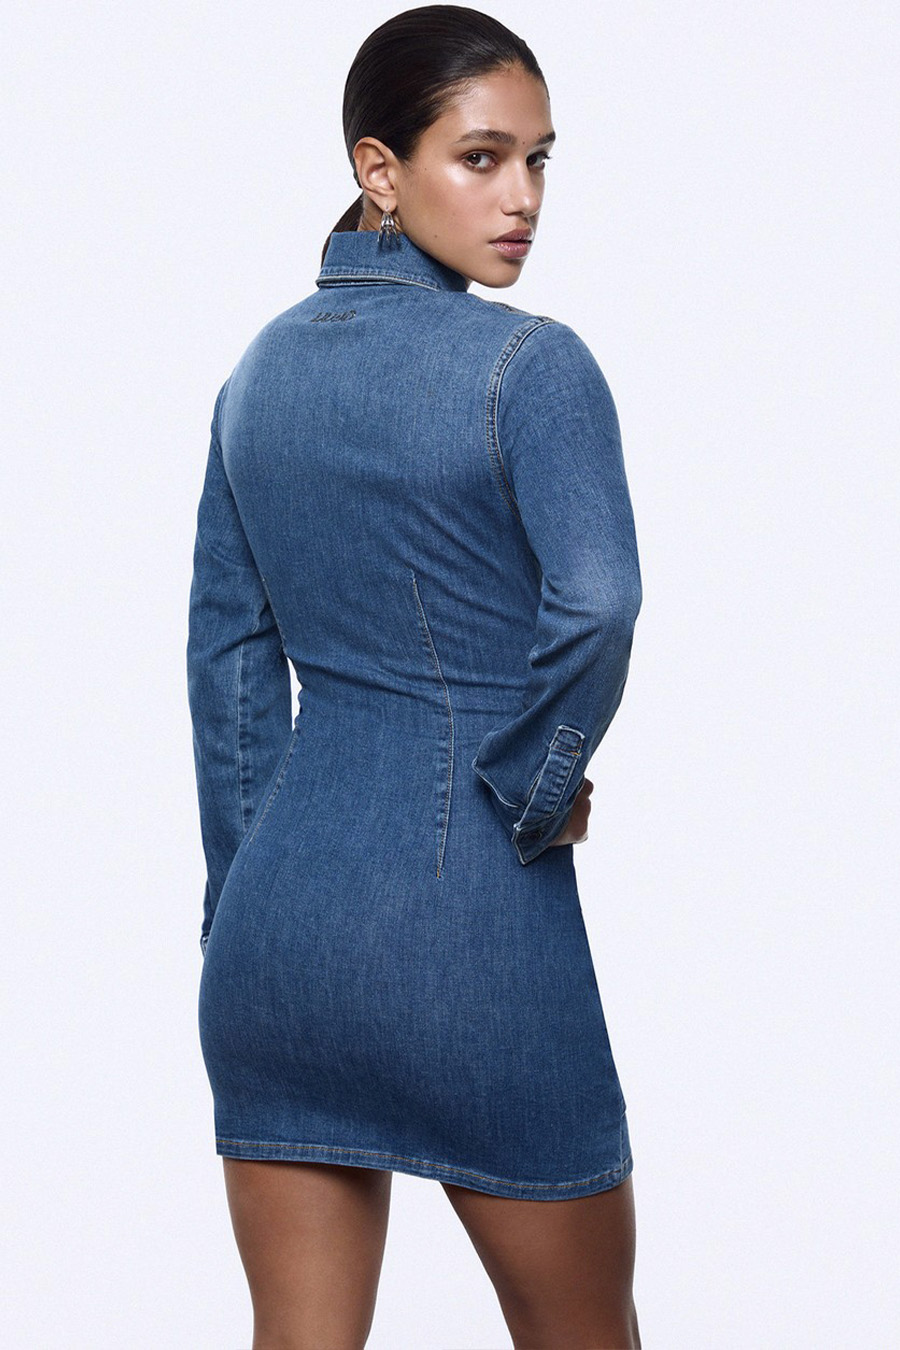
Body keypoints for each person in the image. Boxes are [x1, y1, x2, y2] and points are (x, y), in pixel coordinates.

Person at [186, 6, 644, 1347]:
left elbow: (226, 664)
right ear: (378, 169)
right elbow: (601, 600)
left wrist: (243, 905)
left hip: (277, 942)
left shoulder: (256, 375)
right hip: (474, 924)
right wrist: (538, 782)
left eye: (540, 160)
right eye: (482, 158)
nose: (523, 199)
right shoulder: (532, 367)